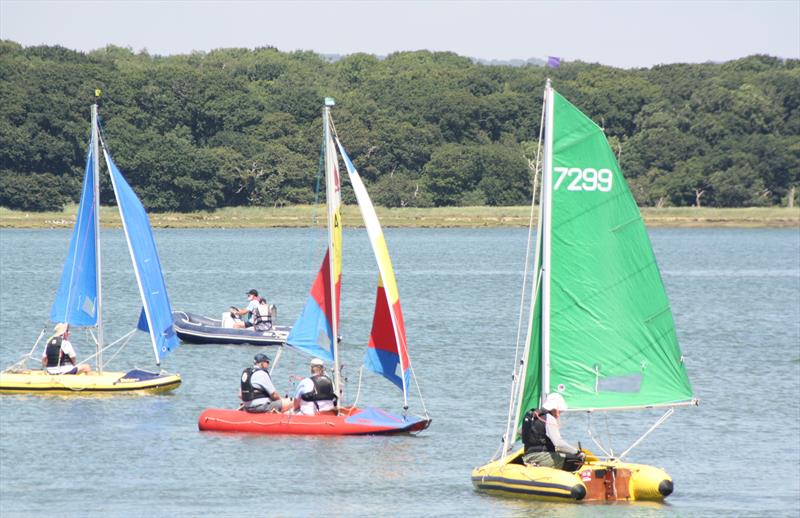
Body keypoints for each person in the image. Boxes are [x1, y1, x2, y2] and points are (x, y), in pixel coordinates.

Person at [520, 392, 585, 471]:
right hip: (540, 458)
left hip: (527, 456)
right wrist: (577, 452)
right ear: (555, 408)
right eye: (560, 411)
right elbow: (558, 443)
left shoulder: (532, 415)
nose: (560, 413)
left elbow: (521, 433)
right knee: (576, 460)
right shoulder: (549, 418)